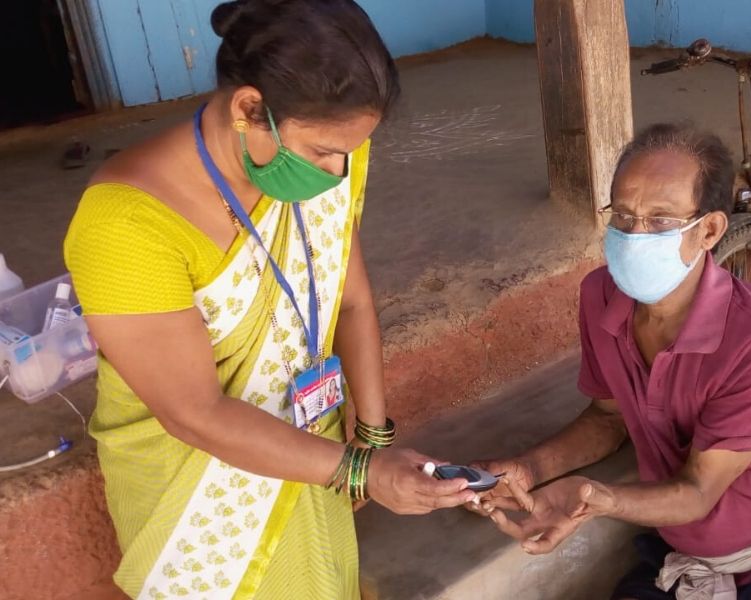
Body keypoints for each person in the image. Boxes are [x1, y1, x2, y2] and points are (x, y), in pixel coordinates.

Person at [63, 1, 475, 598]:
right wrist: (358, 470)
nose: (339, 172)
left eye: (349, 152)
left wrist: (372, 436)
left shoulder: (324, 153)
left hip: (316, 453)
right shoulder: (126, 224)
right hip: (202, 502)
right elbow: (194, 414)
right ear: (250, 108)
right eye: (322, 153)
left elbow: (352, 299)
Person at [474, 124, 751, 599]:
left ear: (709, 230)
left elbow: (699, 492)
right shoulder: (600, 298)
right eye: (623, 216)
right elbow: (608, 417)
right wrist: (528, 470)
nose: (635, 235)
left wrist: (598, 499)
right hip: (692, 559)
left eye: (661, 220)